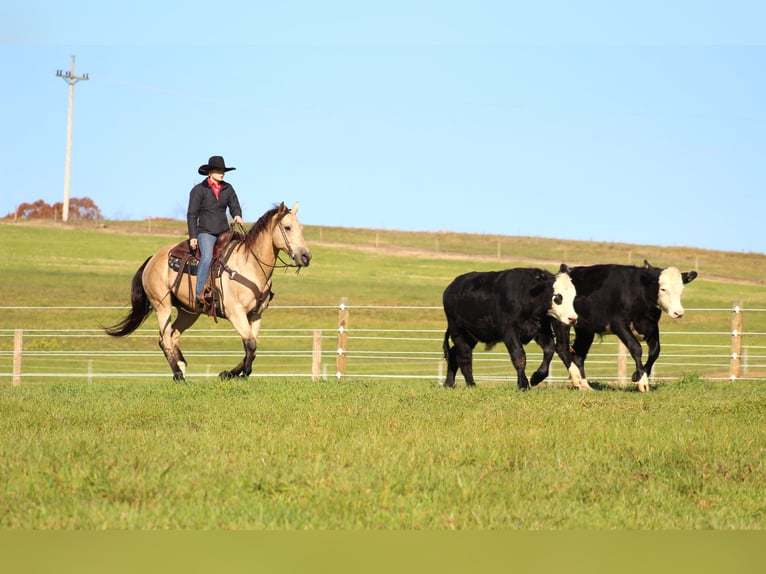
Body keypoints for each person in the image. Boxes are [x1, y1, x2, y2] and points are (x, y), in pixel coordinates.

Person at [187, 155, 244, 307]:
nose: (222, 173)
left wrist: (237, 215)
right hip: (206, 231)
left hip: (224, 231)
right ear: (210, 172)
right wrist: (193, 236)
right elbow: (192, 214)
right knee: (206, 257)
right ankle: (199, 293)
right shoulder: (199, 190)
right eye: (219, 171)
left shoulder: (228, 188)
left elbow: (234, 204)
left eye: (223, 171)